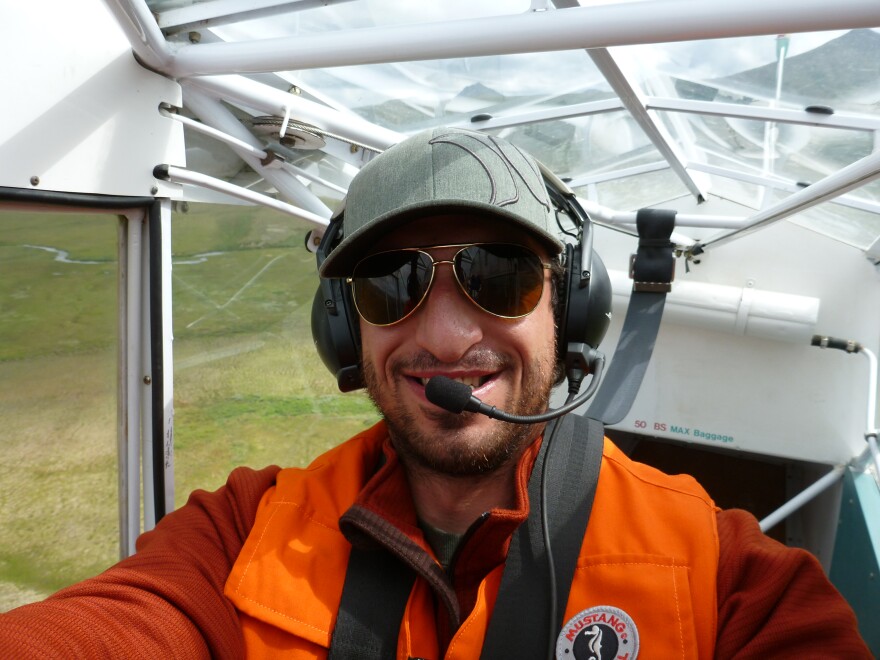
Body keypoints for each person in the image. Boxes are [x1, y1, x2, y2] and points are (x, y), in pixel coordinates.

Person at [0, 127, 870, 659]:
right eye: (391, 283)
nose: (446, 335)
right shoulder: (239, 533)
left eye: (499, 275)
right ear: (346, 328)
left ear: (569, 308)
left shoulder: (726, 575)